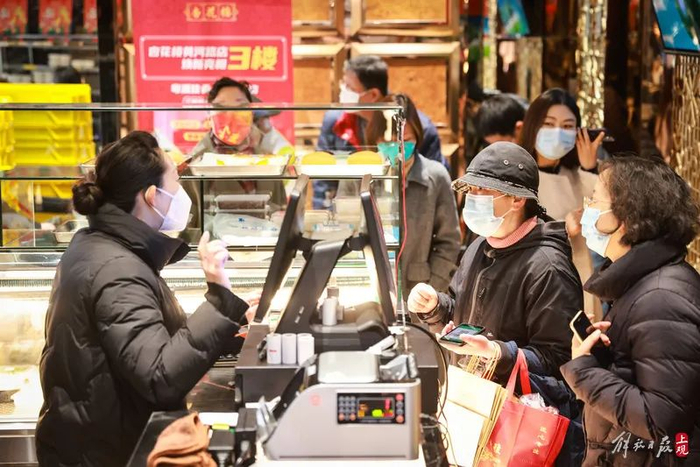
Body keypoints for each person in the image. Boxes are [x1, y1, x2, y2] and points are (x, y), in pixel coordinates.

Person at [36, 132, 255, 466]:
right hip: (108, 455)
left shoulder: (107, 247)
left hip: (99, 445)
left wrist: (231, 322)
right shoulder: (117, 269)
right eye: (176, 181)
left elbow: (147, 342)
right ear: (152, 196)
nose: (181, 193)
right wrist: (219, 301)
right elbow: (159, 377)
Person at [560, 156, 700, 466]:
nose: (587, 208)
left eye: (596, 199)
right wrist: (602, 359)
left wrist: (584, 372)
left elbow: (660, 419)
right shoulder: (641, 283)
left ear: (627, 218)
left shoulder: (662, 298)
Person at [407, 142, 582, 382]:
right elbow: (463, 311)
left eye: (483, 189)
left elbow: (559, 359)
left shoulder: (548, 267)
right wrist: (436, 307)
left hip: (515, 402)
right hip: (471, 392)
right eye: (471, 189)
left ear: (517, 199)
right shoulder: (479, 246)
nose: (472, 197)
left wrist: (498, 353)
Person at [342, 93, 460, 294]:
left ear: (417, 137)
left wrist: (432, 287)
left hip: (419, 289)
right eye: (388, 141)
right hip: (366, 287)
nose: (398, 148)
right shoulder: (356, 175)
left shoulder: (436, 176)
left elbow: (449, 242)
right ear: (375, 138)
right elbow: (344, 228)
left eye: (406, 140)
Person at [518, 88, 605, 317]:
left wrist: (589, 168)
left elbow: (604, 216)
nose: (557, 132)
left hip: (579, 278)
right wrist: (562, 230)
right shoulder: (517, 175)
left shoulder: (578, 174)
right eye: (548, 124)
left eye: (567, 126)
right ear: (532, 125)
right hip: (533, 281)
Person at [315, 55, 445, 207]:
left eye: (350, 88)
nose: (343, 91)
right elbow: (323, 180)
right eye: (344, 84)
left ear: (373, 95)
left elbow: (436, 188)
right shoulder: (335, 122)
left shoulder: (418, 128)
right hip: (350, 210)